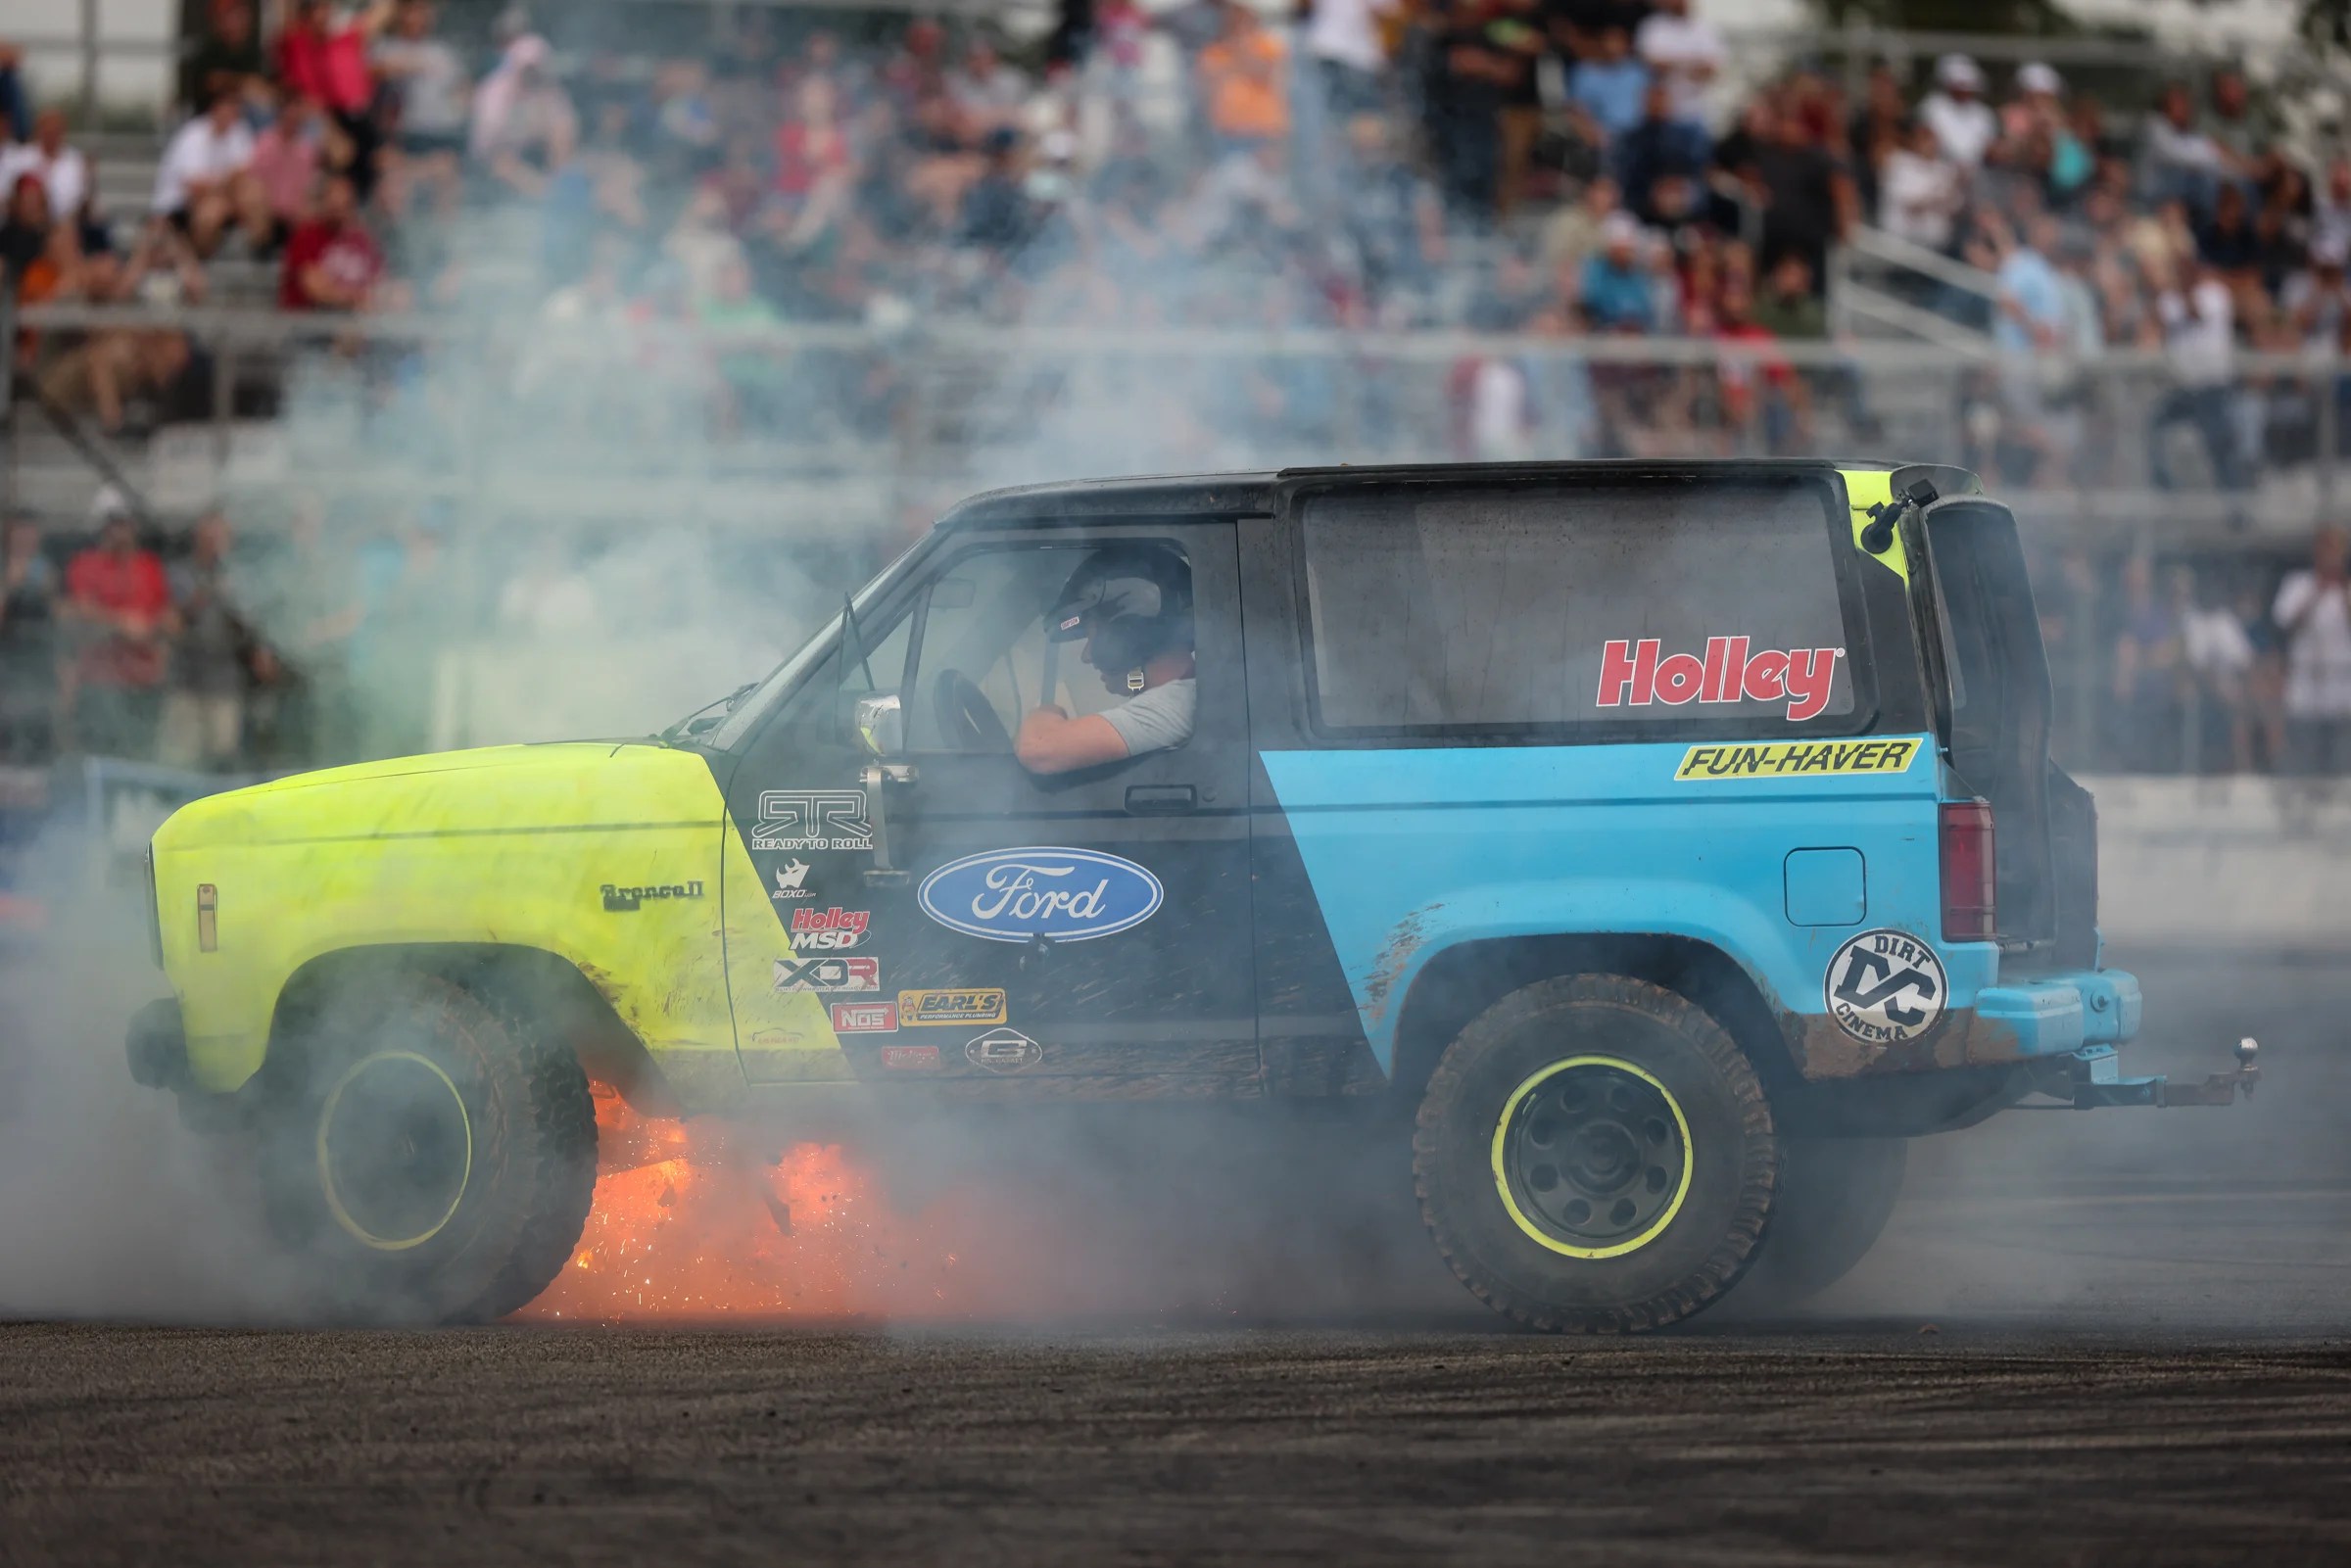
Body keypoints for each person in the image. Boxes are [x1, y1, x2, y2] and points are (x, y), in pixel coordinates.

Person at [1015, 546, 1195, 774]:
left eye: (1092, 634)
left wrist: (1047, 713)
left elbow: (1038, 749)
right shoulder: (1186, 697)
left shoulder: (1178, 701)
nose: (1086, 656)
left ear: (1129, 631)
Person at [160, 507, 270, 770]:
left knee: (221, 759)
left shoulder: (240, 578)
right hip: (186, 682)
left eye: (222, 536)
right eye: (211, 535)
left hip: (225, 683)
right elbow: (171, 622)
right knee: (178, 760)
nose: (217, 542)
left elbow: (252, 628)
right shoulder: (180, 573)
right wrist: (208, 588)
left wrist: (259, 650)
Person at [61, 494, 170, 758]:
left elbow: (164, 613)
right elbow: (76, 610)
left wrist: (153, 632)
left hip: (143, 681)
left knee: (140, 754)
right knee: (99, 753)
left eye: (126, 523)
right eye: (115, 523)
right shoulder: (86, 564)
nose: (121, 531)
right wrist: (121, 622)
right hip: (100, 680)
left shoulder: (149, 566)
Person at [2274, 526, 2351, 790]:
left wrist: (2342, 593)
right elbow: (2286, 624)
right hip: (2305, 685)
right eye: (2326, 548)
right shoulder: (2298, 584)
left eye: (2336, 550)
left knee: (2341, 754)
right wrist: (2317, 593)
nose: (2331, 555)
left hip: (2341, 685)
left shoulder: (2347, 589)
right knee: (2304, 751)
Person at [0, 109, 90, 226]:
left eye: (55, 131)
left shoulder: (76, 162)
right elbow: (6, 195)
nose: (51, 135)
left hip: (64, 225)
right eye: (47, 130)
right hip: (24, 226)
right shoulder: (20, 159)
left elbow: (83, 201)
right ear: (38, 130)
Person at [1919, 53, 1996, 169]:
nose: (1963, 90)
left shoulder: (1984, 113)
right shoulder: (1931, 107)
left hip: (1977, 170)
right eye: (1959, 85)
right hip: (1937, 168)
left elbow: (1988, 146)